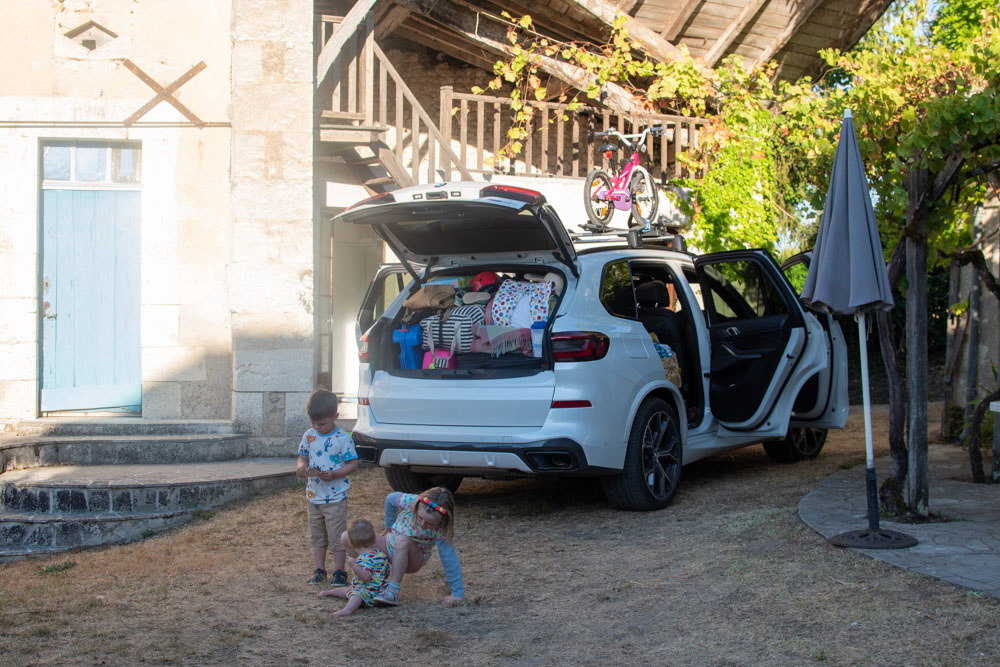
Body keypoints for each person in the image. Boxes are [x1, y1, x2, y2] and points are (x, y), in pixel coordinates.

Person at [342, 487, 463, 606]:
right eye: (419, 517)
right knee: (347, 536)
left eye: (430, 523)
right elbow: (390, 499)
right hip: (389, 545)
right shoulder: (411, 501)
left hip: (412, 559)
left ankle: (393, 591)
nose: (422, 524)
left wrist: (457, 593)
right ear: (416, 506)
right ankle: (366, 584)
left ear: (442, 521)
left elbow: (449, 559)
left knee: (402, 540)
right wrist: (389, 526)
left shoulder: (442, 529)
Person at [296, 389, 358, 587]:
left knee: (337, 535)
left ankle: (340, 571)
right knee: (317, 535)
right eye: (313, 423)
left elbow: (352, 464)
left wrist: (334, 474)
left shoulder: (342, 438)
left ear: (335, 416)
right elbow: (302, 457)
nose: (317, 427)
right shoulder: (309, 436)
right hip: (314, 496)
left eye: (322, 423)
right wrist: (301, 468)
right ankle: (319, 569)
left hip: (335, 496)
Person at [317, 519, 389, 617]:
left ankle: (347, 610)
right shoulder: (380, 554)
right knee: (349, 590)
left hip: (370, 592)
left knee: (356, 594)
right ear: (375, 540)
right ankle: (329, 592)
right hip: (381, 591)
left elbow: (366, 577)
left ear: (351, 545)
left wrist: (355, 565)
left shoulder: (364, 558)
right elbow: (386, 572)